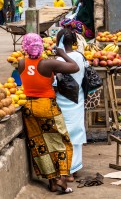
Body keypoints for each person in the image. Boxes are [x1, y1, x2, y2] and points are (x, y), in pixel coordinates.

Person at [18, 33, 79, 193]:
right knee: (62, 142)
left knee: (41, 146)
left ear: (24, 47)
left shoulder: (20, 63)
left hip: (29, 108)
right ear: (41, 47)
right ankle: (62, 178)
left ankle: (52, 183)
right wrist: (62, 54)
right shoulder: (47, 64)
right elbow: (75, 67)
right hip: (47, 107)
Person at [54, 29, 86, 181]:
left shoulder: (60, 61)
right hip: (78, 99)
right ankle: (76, 167)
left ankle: (68, 171)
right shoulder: (80, 56)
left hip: (62, 101)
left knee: (64, 135)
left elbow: (55, 83)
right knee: (76, 133)